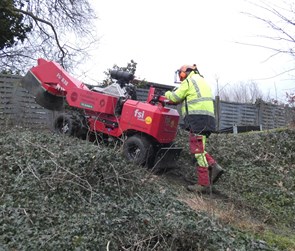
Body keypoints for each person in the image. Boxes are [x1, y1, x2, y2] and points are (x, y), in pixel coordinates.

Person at [164, 64, 224, 192]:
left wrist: (167, 93)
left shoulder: (188, 81)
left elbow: (175, 97)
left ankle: (203, 184)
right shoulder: (202, 81)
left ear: (185, 72)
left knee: (197, 150)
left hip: (197, 119)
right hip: (208, 120)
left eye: (181, 73)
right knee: (200, 148)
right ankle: (213, 166)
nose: (180, 76)